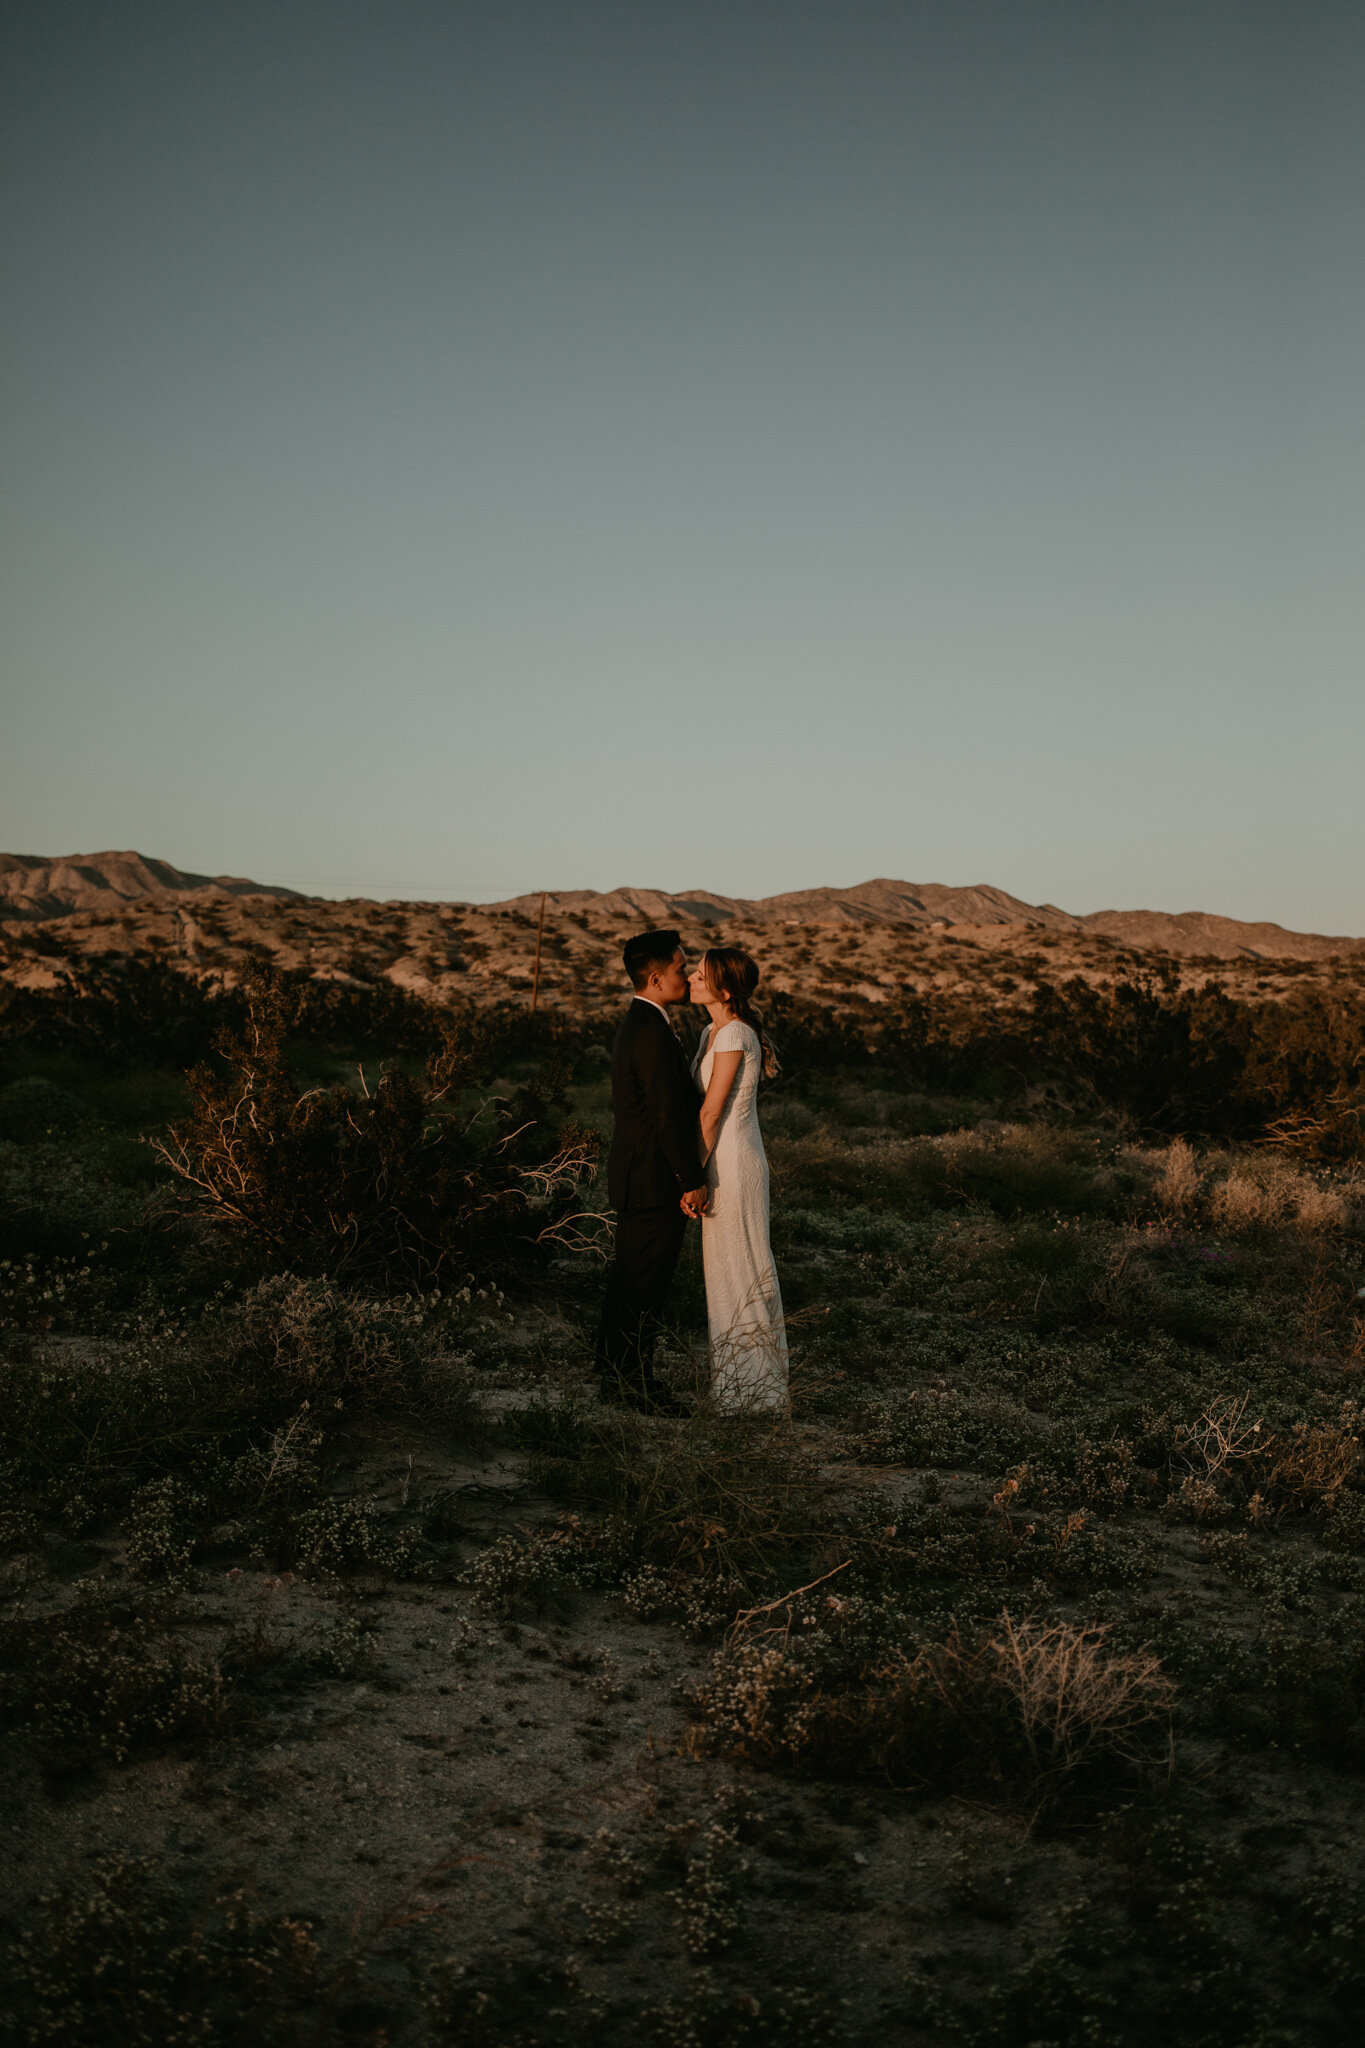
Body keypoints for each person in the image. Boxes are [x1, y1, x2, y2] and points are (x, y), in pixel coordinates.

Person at [595, 929, 709, 1412]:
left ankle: (613, 1377)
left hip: (639, 1174)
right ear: (657, 977)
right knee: (644, 1288)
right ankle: (635, 1389)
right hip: (652, 1179)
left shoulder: (645, 1024)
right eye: (682, 969)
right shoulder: (650, 1032)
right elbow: (666, 1116)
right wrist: (693, 1180)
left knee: (630, 1282)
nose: (686, 976)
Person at [688, 947, 789, 1413]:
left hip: (731, 1162)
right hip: (722, 1157)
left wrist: (691, 1174)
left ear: (724, 990)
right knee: (723, 1271)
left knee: (741, 1267)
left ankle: (755, 1394)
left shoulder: (733, 1036)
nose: (690, 976)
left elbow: (711, 1112)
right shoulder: (711, 1030)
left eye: (700, 974)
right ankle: (736, 1387)